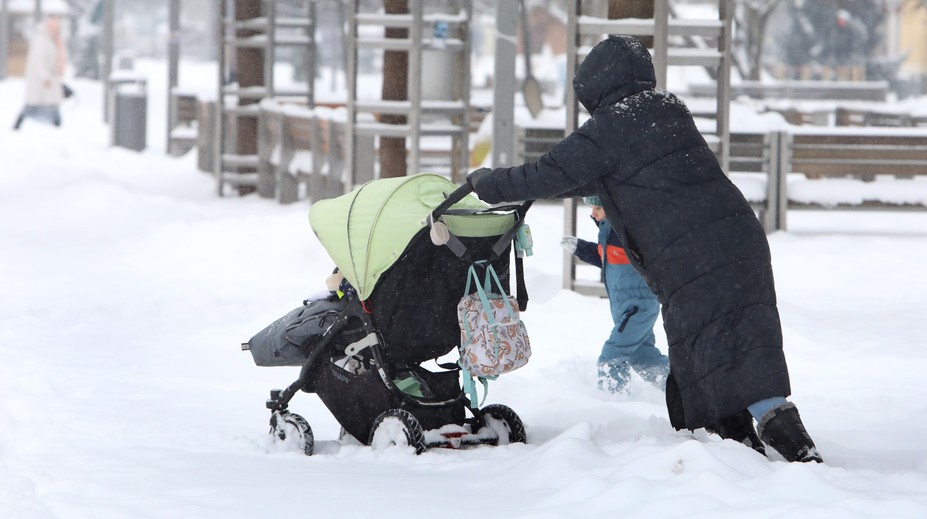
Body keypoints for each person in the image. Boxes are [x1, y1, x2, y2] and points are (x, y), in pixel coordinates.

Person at [467, 35, 822, 463]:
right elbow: (605, 175)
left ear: (595, 83)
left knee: (715, 345)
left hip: (692, 255)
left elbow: (547, 173)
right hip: (737, 238)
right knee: (742, 339)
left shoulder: (608, 129)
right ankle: (743, 450)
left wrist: (486, 184)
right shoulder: (668, 110)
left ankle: (796, 453)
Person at [562, 196, 667, 393]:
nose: (593, 213)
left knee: (612, 356)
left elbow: (652, 255)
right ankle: (678, 386)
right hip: (627, 307)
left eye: (598, 208)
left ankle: (614, 400)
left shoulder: (626, 233)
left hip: (638, 307)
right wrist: (580, 248)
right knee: (643, 357)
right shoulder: (609, 233)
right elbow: (606, 258)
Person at [13, 17, 67, 130]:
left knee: (50, 103)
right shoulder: (42, 38)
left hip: (50, 76)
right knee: (34, 103)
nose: (59, 30)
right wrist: (45, 76)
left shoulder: (52, 38)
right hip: (42, 77)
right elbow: (38, 59)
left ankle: (57, 124)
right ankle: (57, 125)